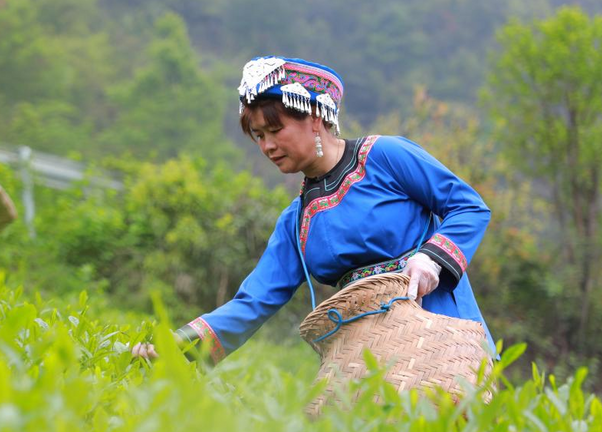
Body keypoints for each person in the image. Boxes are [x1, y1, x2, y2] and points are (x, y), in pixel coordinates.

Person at [132, 55, 493, 363]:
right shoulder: (296, 220)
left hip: (443, 338)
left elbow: (469, 207)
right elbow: (253, 300)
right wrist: (174, 347)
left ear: (315, 117)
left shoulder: (385, 157)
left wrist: (430, 258)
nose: (268, 146)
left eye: (276, 129)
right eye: (258, 136)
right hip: (365, 359)